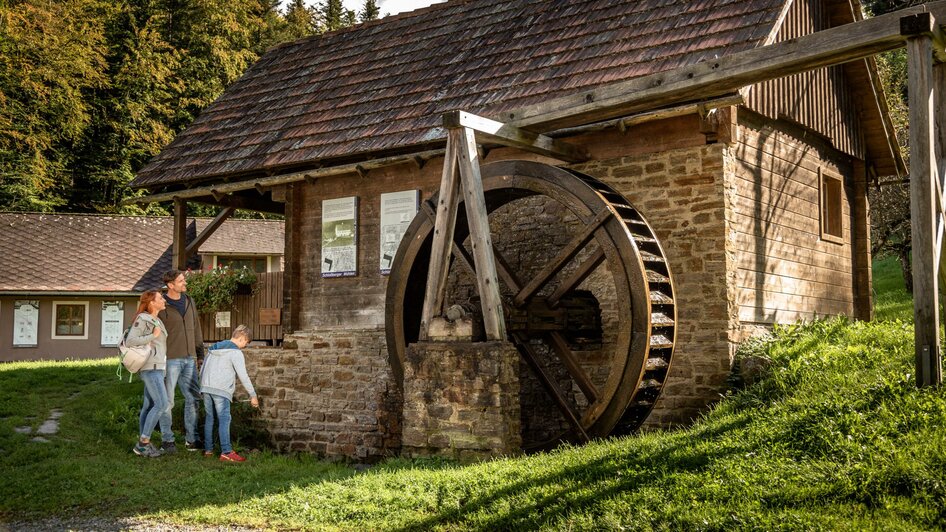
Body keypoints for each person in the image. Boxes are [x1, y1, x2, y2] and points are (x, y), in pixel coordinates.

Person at [158, 269, 205, 453]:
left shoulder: (189, 301)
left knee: (193, 398)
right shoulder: (160, 304)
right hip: (169, 359)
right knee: (167, 401)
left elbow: (196, 328)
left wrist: (199, 353)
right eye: (181, 280)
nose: (184, 283)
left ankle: (191, 440)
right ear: (170, 285)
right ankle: (167, 440)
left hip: (190, 358)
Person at [200, 324, 259, 462]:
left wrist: (201, 387)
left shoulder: (213, 349)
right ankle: (226, 451)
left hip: (206, 387)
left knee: (210, 418)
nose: (245, 345)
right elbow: (243, 376)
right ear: (242, 338)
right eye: (246, 342)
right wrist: (253, 395)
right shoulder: (235, 353)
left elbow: (203, 368)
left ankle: (208, 450)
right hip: (221, 390)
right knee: (224, 419)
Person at [125, 290, 169, 458]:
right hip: (151, 368)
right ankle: (143, 443)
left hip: (158, 367)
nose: (163, 300)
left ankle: (143, 442)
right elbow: (131, 340)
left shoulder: (156, 319)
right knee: (161, 404)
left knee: (149, 405)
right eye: (160, 298)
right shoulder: (142, 318)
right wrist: (152, 336)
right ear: (151, 302)